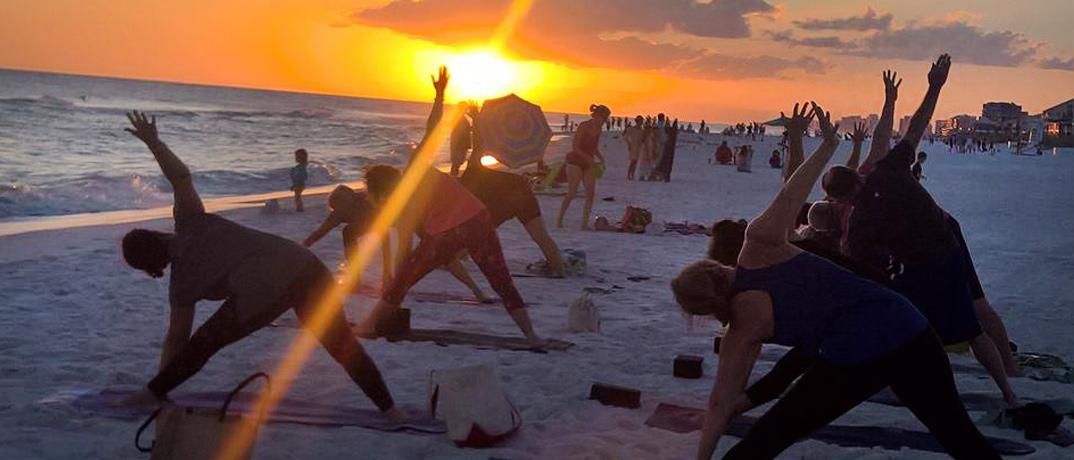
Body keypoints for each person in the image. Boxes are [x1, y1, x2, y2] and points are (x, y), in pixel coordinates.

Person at [671, 102, 1001, 460]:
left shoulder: (742, 330)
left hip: (863, 353)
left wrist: (707, 449)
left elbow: (721, 402)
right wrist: (826, 146)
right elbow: (791, 191)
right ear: (714, 267)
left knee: (766, 439)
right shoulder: (760, 244)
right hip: (914, 334)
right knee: (960, 438)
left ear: (706, 310)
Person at [111, 111, 403, 424]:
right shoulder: (189, 219)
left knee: (206, 342)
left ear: (150, 267)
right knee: (341, 344)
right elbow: (180, 177)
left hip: (266, 291)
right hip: (307, 266)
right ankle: (391, 411)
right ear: (156, 234)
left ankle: (152, 394)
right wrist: (155, 144)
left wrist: (160, 383)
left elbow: (178, 340)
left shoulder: (181, 284)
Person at [826, 56, 1018, 406]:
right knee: (974, 327)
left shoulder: (860, 221)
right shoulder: (890, 169)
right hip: (947, 248)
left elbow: (855, 268)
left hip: (923, 264)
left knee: (901, 324)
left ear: (838, 198)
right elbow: (916, 126)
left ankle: (903, 380)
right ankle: (1010, 391)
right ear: (857, 176)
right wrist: (934, 85)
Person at [354, 66, 542, 346]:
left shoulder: (402, 203)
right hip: (479, 218)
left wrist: (395, 279)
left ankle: (369, 326)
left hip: (447, 231)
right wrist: (439, 96)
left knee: (403, 279)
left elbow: (405, 253)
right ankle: (532, 337)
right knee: (501, 280)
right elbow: (433, 132)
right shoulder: (415, 170)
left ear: (383, 192)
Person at [301, 185, 496, 302]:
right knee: (348, 232)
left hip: (414, 220)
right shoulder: (354, 206)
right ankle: (356, 278)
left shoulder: (360, 203)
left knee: (443, 255)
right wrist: (303, 246)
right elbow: (322, 231)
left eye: (340, 207)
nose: (341, 213)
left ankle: (476, 290)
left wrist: (387, 274)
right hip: (408, 220)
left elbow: (385, 237)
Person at [556, 104, 609, 230]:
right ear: (596, 116)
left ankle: (584, 224)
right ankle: (560, 219)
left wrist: (601, 159)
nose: (602, 122)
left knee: (590, 194)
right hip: (574, 161)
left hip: (588, 163)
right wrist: (588, 158)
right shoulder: (584, 126)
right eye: (601, 119)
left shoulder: (599, 130)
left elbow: (594, 147)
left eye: (604, 120)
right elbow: (575, 147)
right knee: (572, 192)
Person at [450, 102, 473, 176]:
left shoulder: (460, 116)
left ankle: (453, 177)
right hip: (460, 143)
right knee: (457, 163)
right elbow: (461, 130)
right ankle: (453, 178)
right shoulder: (458, 117)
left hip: (460, 143)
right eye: (466, 107)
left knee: (457, 163)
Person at [625, 115, 646, 180]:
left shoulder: (642, 130)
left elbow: (643, 139)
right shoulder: (632, 129)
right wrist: (629, 144)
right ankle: (629, 174)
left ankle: (632, 174)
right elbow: (626, 136)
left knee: (635, 161)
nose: (641, 122)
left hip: (638, 147)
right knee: (633, 161)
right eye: (640, 121)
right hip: (633, 146)